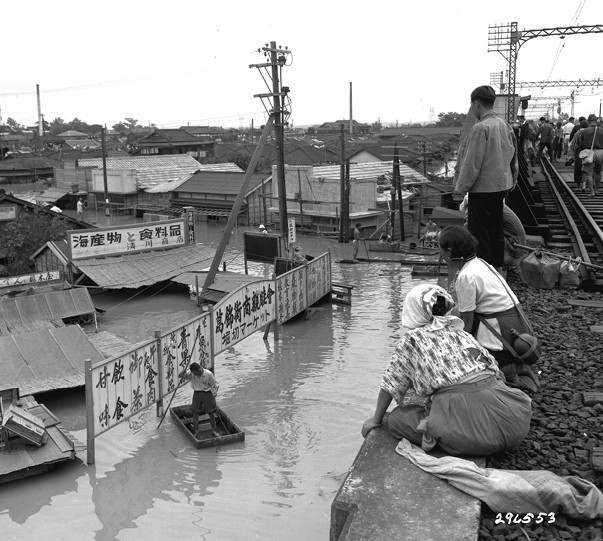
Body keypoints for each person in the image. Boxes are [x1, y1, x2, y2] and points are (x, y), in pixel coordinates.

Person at [361, 283, 531, 456]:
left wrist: (376, 420)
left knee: (396, 418)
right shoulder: (461, 333)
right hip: (515, 424)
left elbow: (390, 385)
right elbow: (496, 372)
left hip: (475, 437)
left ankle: (448, 436)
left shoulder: (412, 339)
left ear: (413, 311)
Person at [438, 225, 539, 392]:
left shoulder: (466, 276)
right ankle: (510, 370)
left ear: (449, 251)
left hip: (504, 345)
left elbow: (467, 320)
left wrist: (458, 350)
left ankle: (501, 371)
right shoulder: (481, 263)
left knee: (452, 356)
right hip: (516, 334)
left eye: (441, 250)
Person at [453, 85, 517, 272]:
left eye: (472, 105)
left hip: (481, 188)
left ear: (476, 103)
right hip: (500, 186)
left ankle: (483, 270)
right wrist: (512, 180)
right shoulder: (505, 126)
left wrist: (461, 187)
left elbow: (472, 163)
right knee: (495, 229)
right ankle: (497, 268)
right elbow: (514, 159)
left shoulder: (480, 128)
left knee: (478, 232)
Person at [178, 362, 220, 438]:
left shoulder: (208, 374)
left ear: (200, 369)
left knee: (211, 413)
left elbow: (216, 385)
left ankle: (213, 431)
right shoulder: (191, 373)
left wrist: (214, 393)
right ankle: (196, 432)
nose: (195, 374)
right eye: (194, 373)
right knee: (195, 414)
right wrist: (183, 371)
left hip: (207, 393)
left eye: (196, 373)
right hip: (197, 394)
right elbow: (180, 376)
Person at [575, 113, 603, 197]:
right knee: (598, 172)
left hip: (589, 152)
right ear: (596, 121)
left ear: (588, 121)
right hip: (601, 152)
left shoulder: (585, 131)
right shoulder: (602, 130)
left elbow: (581, 144)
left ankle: (592, 192)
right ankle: (597, 190)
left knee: (589, 173)